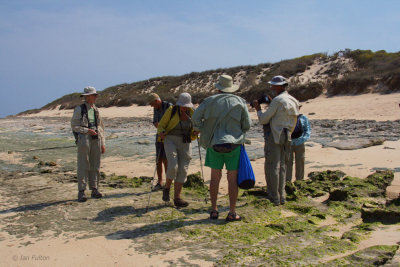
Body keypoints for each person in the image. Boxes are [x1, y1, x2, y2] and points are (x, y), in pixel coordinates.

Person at [192, 74, 251, 221]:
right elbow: (247, 125)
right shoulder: (240, 102)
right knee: (232, 179)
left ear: (218, 87)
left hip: (214, 144)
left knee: (214, 178)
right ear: (231, 88)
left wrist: (200, 128)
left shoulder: (209, 101)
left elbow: (195, 118)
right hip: (234, 144)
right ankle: (232, 212)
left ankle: (214, 210)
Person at [252, 76, 299, 206]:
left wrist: (258, 109)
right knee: (283, 165)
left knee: (272, 165)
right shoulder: (293, 100)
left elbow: (264, 120)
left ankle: (274, 196)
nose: (271, 88)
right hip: (287, 134)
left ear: (280, 86)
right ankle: (282, 195)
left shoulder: (277, 100)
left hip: (275, 134)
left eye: (273, 85)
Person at [157, 93, 197, 207]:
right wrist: (161, 133)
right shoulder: (172, 110)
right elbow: (161, 126)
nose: (184, 107)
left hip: (186, 141)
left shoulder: (192, 112)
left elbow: (197, 126)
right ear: (178, 104)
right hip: (170, 140)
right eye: (182, 105)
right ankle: (167, 188)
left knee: (183, 169)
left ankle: (177, 198)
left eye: (186, 106)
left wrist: (196, 132)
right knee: (173, 166)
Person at [71, 86, 106, 202]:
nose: (95, 97)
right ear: (87, 97)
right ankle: (81, 191)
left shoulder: (96, 109)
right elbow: (74, 126)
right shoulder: (79, 109)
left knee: (95, 164)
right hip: (84, 139)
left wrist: (103, 143)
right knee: (83, 164)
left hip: (96, 138)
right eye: (94, 95)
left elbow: (101, 127)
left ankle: (94, 189)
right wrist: (87, 131)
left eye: (95, 95)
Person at [147, 93, 172, 191]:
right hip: (159, 136)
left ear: (157, 101)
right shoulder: (155, 108)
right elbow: (155, 122)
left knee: (166, 160)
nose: (151, 106)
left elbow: (171, 122)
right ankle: (159, 182)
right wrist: (159, 128)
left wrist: (163, 129)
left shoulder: (168, 106)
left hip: (168, 136)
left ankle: (167, 182)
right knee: (158, 159)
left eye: (152, 104)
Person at [286, 112, 311, 182]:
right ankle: (287, 181)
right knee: (288, 163)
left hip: (299, 142)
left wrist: (303, 139)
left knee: (300, 162)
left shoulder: (303, 117)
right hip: (288, 143)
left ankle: (300, 180)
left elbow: (307, 129)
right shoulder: (286, 116)